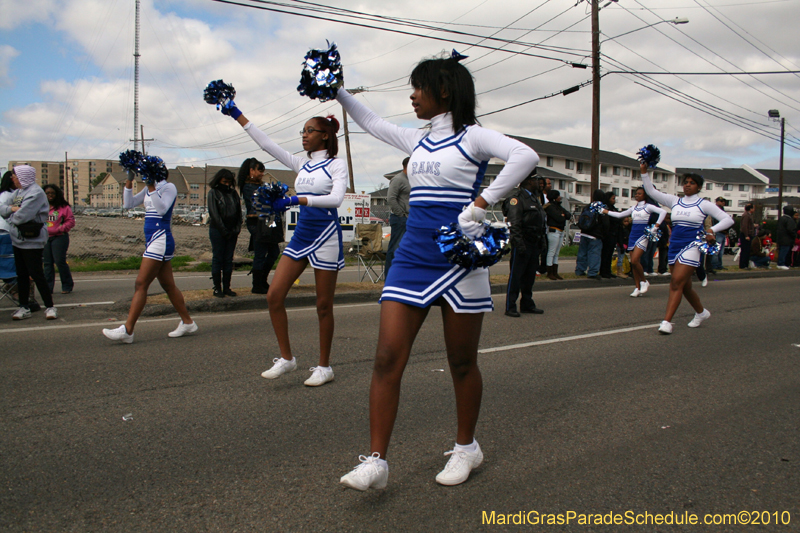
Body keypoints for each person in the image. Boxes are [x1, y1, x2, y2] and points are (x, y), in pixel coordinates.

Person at [334, 52, 539, 490]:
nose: (411, 96)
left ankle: (467, 448)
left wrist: (480, 205)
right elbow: (371, 121)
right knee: (387, 357)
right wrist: (335, 90)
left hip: (459, 257)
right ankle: (376, 461)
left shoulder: (474, 138)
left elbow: (525, 156)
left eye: (418, 87)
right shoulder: (418, 140)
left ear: (443, 90)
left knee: (462, 362)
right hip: (411, 258)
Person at [217, 96, 347, 387]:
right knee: (274, 294)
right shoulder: (302, 164)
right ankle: (287, 358)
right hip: (302, 235)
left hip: (326, 235)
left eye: (309, 130)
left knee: (323, 305)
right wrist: (237, 113)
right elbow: (266, 144)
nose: (304, 134)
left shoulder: (336, 166)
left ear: (325, 135)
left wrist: (295, 199)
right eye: (303, 130)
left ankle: (324, 366)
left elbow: (336, 199)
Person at [102, 162, 197, 343]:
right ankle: (188, 322)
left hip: (160, 239)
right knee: (168, 285)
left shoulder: (169, 187)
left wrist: (151, 186)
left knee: (141, 283)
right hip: (152, 239)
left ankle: (128, 330)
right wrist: (129, 181)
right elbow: (128, 204)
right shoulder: (148, 189)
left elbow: (162, 210)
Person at [640, 163, 733, 334]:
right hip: (674, 245)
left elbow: (728, 220)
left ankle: (666, 322)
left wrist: (712, 230)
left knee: (675, 282)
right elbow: (652, 192)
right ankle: (701, 312)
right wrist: (644, 172)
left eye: (691, 182)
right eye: (686, 182)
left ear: (698, 186)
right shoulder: (675, 201)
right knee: (685, 286)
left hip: (692, 245)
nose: (687, 185)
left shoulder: (703, 204)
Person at [0, 166, 58, 320]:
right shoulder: (19, 192)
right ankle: (24, 307)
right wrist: (12, 209)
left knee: (36, 274)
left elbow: (21, 216)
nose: (13, 178)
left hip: (32, 240)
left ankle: (50, 307)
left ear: (23, 176)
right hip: (17, 239)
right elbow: (3, 209)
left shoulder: (36, 193)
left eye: (15, 175)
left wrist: (10, 215)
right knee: (22, 275)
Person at [601, 187, 666, 296]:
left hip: (643, 235)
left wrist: (656, 225)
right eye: (636, 193)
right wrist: (605, 211)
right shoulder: (634, 208)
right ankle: (637, 287)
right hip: (633, 235)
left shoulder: (648, 206)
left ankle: (644, 281)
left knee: (635, 260)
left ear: (645, 195)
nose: (637, 195)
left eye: (639, 194)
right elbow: (619, 215)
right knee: (634, 263)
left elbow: (663, 212)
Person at [504, 172, 545, 317]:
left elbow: (540, 222)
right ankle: (510, 306)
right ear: (528, 181)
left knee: (529, 276)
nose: (539, 183)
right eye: (536, 180)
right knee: (516, 275)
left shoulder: (534, 198)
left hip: (535, 241)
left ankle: (527, 303)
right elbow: (514, 224)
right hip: (523, 241)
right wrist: (519, 244)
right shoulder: (517, 199)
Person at [238, 158, 281, 294]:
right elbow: (260, 202)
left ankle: (262, 280)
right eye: (260, 171)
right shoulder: (249, 187)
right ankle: (257, 284)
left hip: (267, 221)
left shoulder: (260, 186)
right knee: (261, 253)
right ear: (251, 171)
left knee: (274, 252)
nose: (262, 173)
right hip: (257, 222)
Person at [207, 168, 242, 297]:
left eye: (229, 182)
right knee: (218, 258)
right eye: (224, 182)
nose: (227, 184)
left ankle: (227, 287)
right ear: (219, 180)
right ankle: (217, 288)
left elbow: (239, 213)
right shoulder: (213, 193)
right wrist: (224, 230)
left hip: (232, 230)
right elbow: (214, 214)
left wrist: (236, 229)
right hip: (217, 230)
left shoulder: (233, 194)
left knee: (228, 259)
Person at [42, 184, 75, 295]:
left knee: (59, 261)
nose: (50, 195)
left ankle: (67, 285)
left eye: (52, 193)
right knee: (47, 263)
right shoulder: (40, 206)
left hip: (60, 237)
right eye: (47, 193)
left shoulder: (63, 207)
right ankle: (48, 287)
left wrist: (61, 228)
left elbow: (70, 221)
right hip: (45, 238)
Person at [575, 189, 608, 280]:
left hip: (584, 232)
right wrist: (604, 234)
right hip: (595, 235)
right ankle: (592, 272)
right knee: (594, 253)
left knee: (582, 253)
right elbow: (605, 223)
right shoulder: (602, 207)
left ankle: (579, 270)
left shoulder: (587, 207)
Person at [385, 157, 410, 276]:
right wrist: (401, 214)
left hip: (410, 219)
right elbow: (391, 198)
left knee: (407, 250)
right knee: (395, 248)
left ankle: (403, 277)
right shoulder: (398, 179)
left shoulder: (412, 180)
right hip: (400, 219)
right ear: (407, 166)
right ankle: (390, 278)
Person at [543, 189, 570, 280]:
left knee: (556, 253)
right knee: (551, 252)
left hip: (560, 231)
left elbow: (568, 215)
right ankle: (549, 271)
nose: (560, 197)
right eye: (558, 196)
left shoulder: (558, 206)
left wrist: (563, 215)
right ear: (554, 198)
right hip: (553, 230)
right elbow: (559, 218)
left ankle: (555, 272)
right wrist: (562, 216)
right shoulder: (550, 207)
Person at [600, 191, 621, 279]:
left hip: (614, 234)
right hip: (607, 235)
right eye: (613, 198)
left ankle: (608, 271)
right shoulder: (605, 208)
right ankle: (603, 271)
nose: (614, 200)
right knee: (605, 254)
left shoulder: (613, 208)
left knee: (610, 254)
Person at [709, 197, 730, 273]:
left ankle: (719, 264)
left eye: (723, 201)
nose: (723, 203)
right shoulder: (715, 211)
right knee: (716, 250)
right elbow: (716, 222)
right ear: (717, 202)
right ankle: (714, 264)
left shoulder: (723, 211)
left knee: (721, 251)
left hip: (723, 233)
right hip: (718, 232)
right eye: (721, 201)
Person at [536, 176, 552, 276]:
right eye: (541, 183)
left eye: (545, 184)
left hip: (545, 227)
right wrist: (545, 207)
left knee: (544, 249)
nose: (544, 185)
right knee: (537, 250)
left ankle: (543, 268)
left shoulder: (548, 196)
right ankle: (536, 268)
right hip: (537, 226)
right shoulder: (537, 195)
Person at [776, 206, 797, 270]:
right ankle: (781, 263)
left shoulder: (781, 218)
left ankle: (780, 263)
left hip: (780, 238)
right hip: (787, 239)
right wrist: (794, 235)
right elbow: (791, 229)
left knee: (782, 251)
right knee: (784, 251)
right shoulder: (789, 220)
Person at [739, 203, 755, 269]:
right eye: (753, 208)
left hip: (748, 234)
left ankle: (745, 264)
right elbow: (744, 226)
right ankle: (743, 265)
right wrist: (746, 235)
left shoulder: (749, 215)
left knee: (747, 250)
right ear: (750, 209)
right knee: (745, 250)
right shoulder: (746, 215)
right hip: (746, 235)